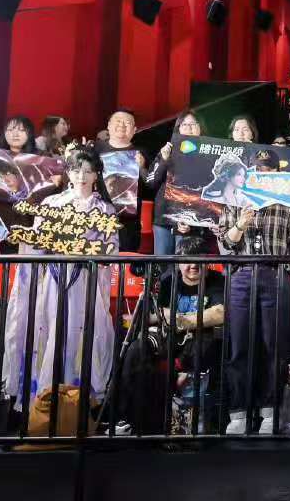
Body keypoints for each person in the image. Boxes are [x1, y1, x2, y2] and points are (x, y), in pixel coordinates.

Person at [1, 150, 119, 419]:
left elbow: (111, 249)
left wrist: (90, 251)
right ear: (68, 173)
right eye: (76, 170)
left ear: (96, 175)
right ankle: (43, 403)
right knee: (49, 331)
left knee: (81, 333)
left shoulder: (105, 209)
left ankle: (76, 406)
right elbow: (38, 241)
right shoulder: (52, 203)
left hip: (84, 280)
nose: (82, 176)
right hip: (53, 279)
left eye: (88, 171)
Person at [219, 149, 290, 435]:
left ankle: (271, 410)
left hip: (276, 272)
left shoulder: (287, 202)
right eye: (258, 170)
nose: (263, 174)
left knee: (275, 345)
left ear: (277, 174)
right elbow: (226, 243)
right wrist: (240, 224)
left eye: (268, 170)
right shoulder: (234, 199)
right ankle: (239, 411)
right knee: (239, 344)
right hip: (242, 273)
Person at [116, 235, 228, 436]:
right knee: (135, 349)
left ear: (207, 262)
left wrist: (180, 320)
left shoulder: (217, 280)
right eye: (187, 261)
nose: (193, 266)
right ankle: (127, 418)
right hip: (168, 339)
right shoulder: (168, 280)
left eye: (199, 260)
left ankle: (182, 401)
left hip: (200, 340)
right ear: (178, 263)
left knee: (205, 341)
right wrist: (178, 318)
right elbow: (152, 315)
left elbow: (220, 313)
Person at [145, 109, 203, 255]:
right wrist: (164, 160)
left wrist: (193, 222)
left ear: (200, 128)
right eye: (184, 124)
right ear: (178, 128)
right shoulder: (167, 150)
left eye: (193, 124)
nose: (189, 128)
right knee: (162, 264)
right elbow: (151, 182)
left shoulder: (207, 155)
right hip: (164, 217)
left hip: (190, 219)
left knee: (184, 263)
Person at [98, 109, 147, 252]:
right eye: (118, 121)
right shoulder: (95, 149)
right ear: (108, 125)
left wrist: (142, 168)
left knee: (126, 258)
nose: (122, 125)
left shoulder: (142, 153)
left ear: (134, 129)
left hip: (129, 222)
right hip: (99, 218)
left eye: (127, 122)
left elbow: (151, 185)